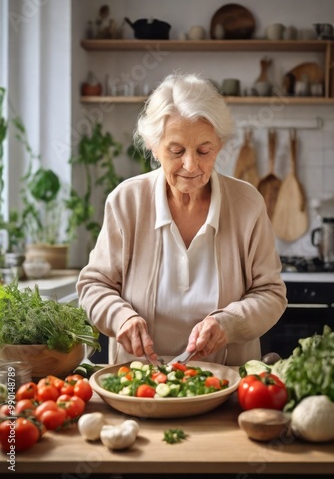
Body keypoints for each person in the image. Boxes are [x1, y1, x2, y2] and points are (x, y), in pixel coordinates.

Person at [76, 72, 287, 367]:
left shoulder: (247, 204)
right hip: (138, 383)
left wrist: (229, 324)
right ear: (154, 146)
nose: (191, 165)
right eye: (176, 151)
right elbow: (94, 285)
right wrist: (120, 317)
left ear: (220, 144)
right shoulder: (127, 201)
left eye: (204, 150)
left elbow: (271, 293)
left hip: (226, 382)